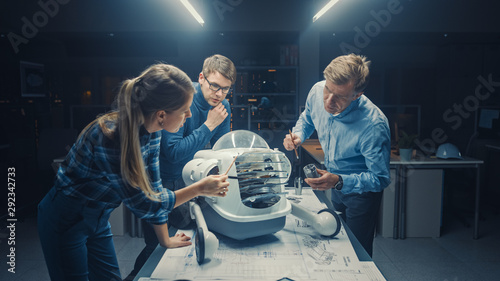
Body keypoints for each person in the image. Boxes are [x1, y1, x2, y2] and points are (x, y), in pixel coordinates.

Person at [37, 63, 230, 281]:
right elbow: (147, 204)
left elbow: (154, 188)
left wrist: (164, 239)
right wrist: (200, 188)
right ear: (161, 115)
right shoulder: (111, 138)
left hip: (98, 217)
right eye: (184, 110)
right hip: (66, 218)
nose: (188, 115)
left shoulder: (154, 131)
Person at [126, 54, 236, 280]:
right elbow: (173, 154)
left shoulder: (222, 105)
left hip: (195, 178)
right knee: (156, 248)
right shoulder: (180, 100)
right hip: (167, 181)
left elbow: (219, 152)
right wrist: (208, 125)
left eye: (226, 89)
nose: (219, 94)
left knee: (187, 241)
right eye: (215, 86)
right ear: (201, 78)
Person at [283, 54, 391, 257]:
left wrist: (339, 180)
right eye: (328, 90)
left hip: (362, 194)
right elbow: (307, 117)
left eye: (340, 96)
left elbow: (380, 178)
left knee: (357, 252)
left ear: (356, 95)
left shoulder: (373, 125)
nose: (329, 101)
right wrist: (298, 135)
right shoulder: (317, 90)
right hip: (334, 184)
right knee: (336, 242)